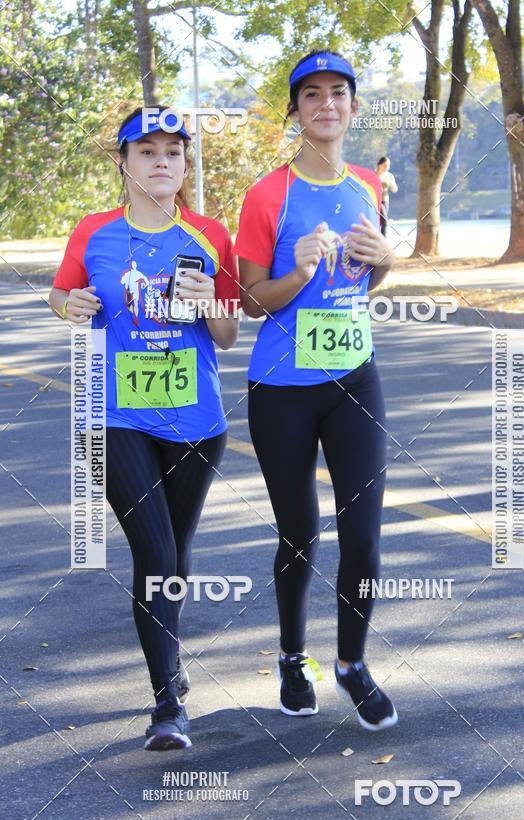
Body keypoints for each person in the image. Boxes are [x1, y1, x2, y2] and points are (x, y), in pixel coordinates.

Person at [49, 106, 239, 750]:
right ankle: (166, 707)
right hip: (112, 416)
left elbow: (230, 334)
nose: (162, 162)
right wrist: (69, 305)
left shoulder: (212, 234)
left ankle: (170, 666)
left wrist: (207, 302)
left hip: (195, 419)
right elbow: (64, 295)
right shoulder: (94, 232)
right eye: (147, 151)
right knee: (155, 554)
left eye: (174, 153)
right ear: (124, 163)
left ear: (186, 165)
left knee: (176, 556)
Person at [235, 50, 398, 731]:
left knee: (363, 537)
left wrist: (387, 262)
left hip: (355, 380)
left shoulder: (368, 184)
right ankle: (293, 657)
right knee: (300, 534)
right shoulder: (267, 195)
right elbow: (248, 300)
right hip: (282, 390)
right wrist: (297, 274)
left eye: (339, 93)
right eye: (311, 96)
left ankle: (353, 664)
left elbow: (371, 277)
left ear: (353, 108)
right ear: (296, 112)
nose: (326, 105)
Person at [376, 156, 398, 236]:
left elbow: (395, 190)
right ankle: (383, 241)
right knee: (384, 221)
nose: (386, 167)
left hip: (385, 201)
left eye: (388, 165)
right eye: (385, 165)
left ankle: (379, 241)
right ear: (379, 165)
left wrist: (391, 183)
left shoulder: (389, 176)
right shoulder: (374, 174)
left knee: (381, 222)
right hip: (375, 201)